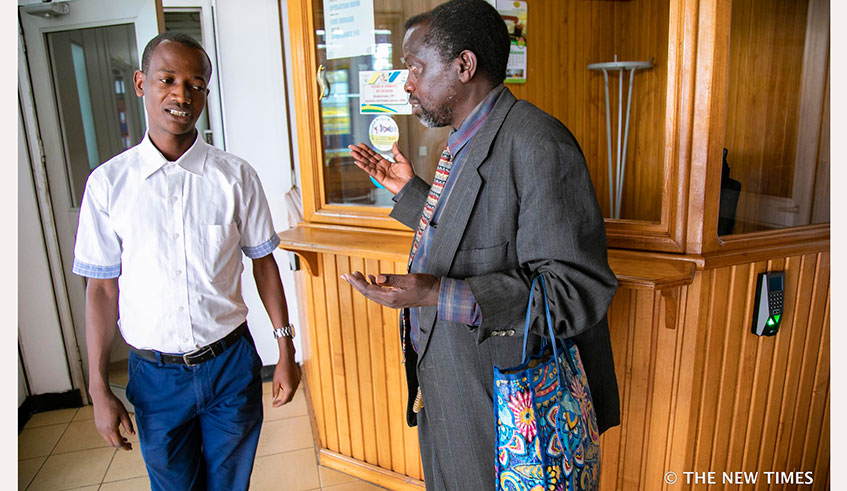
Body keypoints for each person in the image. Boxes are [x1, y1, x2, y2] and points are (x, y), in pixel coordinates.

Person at [342, 0, 619, 489]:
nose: (407, 84)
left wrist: (435, 293)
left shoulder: (538, 143)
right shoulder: (465, 139)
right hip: (448, 386)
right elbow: (479, 232)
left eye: (415, 67)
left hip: (505, 405)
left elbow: (575, 290)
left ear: (464, 66)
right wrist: (411, 194)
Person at [72, 32, 299, 490]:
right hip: (154, 377)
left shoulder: (235, 176)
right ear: (141, 83)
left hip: (230, 365)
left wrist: (286, 350)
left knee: (230, 484)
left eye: (196, 85)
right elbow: (101, 289)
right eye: (168, 80)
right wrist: (97, 385)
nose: (182, 95)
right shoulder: (109, 185)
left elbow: (264, 264)